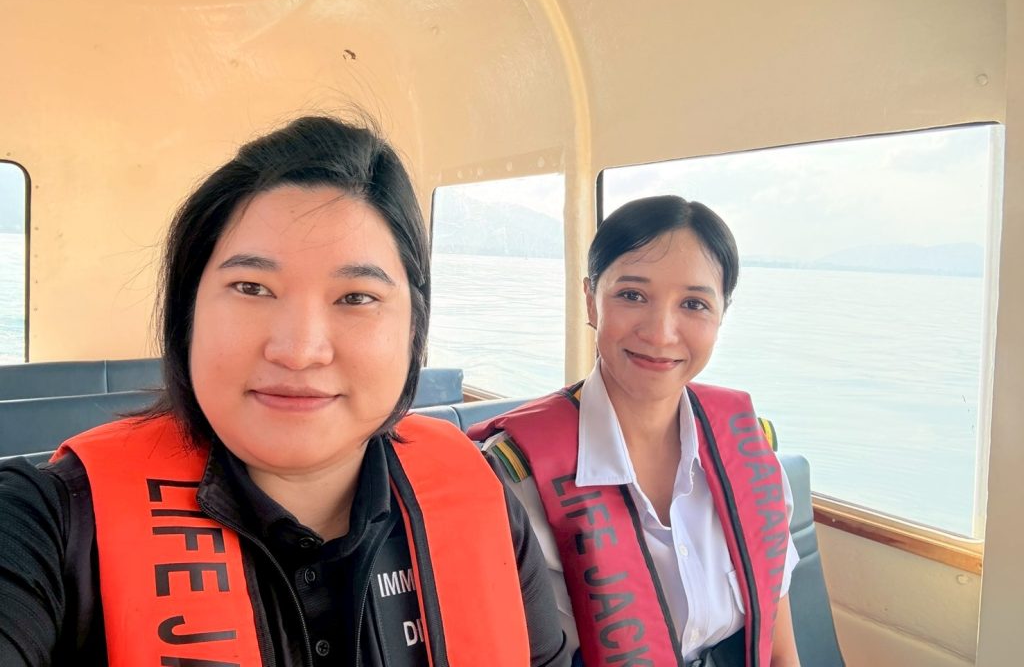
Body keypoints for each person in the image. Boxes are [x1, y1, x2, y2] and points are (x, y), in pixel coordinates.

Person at [0, 116, 570, 667]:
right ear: (187, 313)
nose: (299, 351)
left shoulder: (484, 498)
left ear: (413, 328)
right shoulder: (50, 522)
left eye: (356, 297)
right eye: (251, 287)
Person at [471, 195, 802, 667]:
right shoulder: (513, 481)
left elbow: (779, 646)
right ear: (591, 300)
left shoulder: (750, 454)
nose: (661, 332)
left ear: (720, 316)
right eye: (631, 295)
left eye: (694, 304)